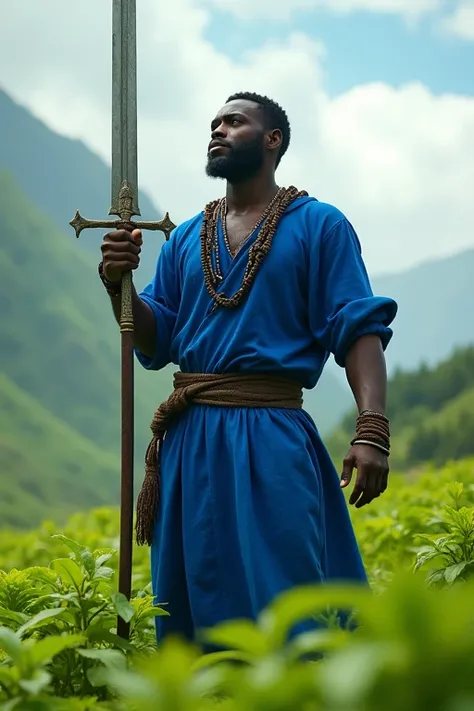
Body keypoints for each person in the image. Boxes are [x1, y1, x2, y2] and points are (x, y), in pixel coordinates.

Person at [99, 91, 398, 645]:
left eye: (234, 122)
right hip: (188, 444)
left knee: (288, 594)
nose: (217, 129)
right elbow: (157, 335)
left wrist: (372, 427)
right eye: (213, 122)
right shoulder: (186, 237)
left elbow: (357, 328)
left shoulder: (320, 226)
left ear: (272, 139)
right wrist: (119, 285)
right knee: (190, 597)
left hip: (272, 434)